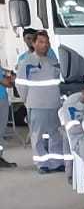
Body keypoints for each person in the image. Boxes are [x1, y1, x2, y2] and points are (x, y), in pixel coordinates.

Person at [16, 31, 67, 173]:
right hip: (36, 105)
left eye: (46, 42)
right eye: (41, 42)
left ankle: (57, 162)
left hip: (54, 104)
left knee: (55, 134)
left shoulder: (53, 62)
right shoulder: (26, 63)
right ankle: (42, 164)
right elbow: (21, 86)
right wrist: (28, 101)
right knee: (37, 135)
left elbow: (58, 84)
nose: (44, 45)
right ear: (34, 44)